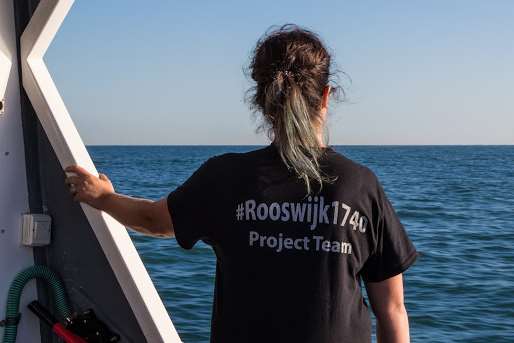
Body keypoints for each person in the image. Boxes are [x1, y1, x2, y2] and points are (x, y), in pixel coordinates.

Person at [64, 24, 417, 343]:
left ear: (262, 102)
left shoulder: (225, 178)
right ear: (326, 96)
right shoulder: (359, 185)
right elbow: (392, 312)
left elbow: (154, 221)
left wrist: (102, 197)